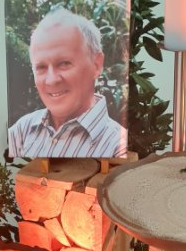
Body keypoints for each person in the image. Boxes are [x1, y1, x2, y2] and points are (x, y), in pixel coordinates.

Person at [7, 8, 128, 158]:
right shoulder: (22, 131)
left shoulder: (118, 147)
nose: (51, 80)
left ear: (96, 65)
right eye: (41, 67)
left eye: (64, 63)